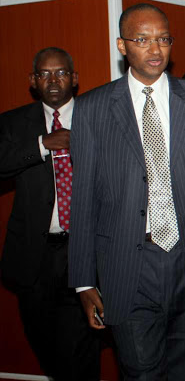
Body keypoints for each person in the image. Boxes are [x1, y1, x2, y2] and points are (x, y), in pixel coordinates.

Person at [68, 3, 185, 380]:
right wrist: (83, 281)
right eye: (143, 40)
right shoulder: (93, 109)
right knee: (140, 372)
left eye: (163, 39)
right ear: (122, 45)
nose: (155, 50)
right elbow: (83, 199)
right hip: (128, 266)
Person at [0, 47, 100, 380]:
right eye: (44, 74)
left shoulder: (97, 116)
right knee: (44, 343)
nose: (53, 80)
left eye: (60, 73)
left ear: (74, 78)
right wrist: (43, 144)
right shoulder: (14, 122)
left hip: (84, 251)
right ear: (32, 81)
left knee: (80, 348)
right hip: (34, 258)